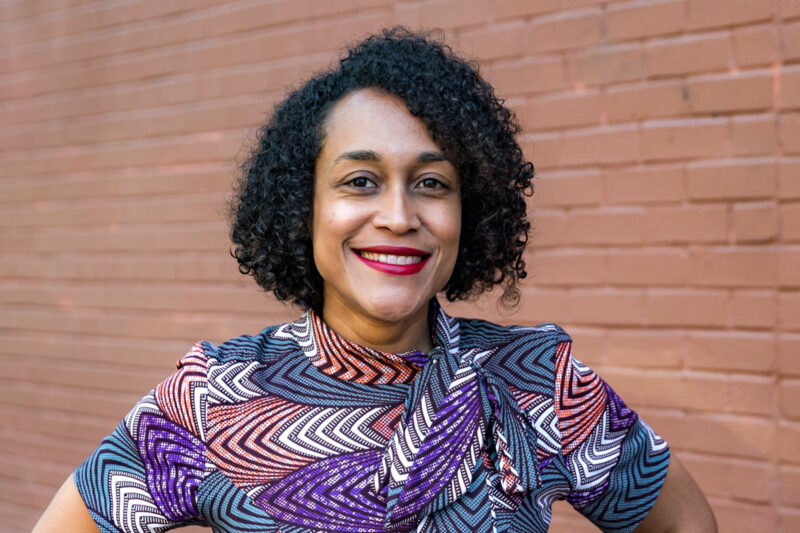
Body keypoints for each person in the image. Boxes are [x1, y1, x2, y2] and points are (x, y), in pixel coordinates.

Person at [34, 27, 717, 533]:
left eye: (431, 183)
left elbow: (683, 521)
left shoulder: (537, 382)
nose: (397, 216)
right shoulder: (215, 396)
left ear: (469, 208)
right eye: (360, 181)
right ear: (304, 207)